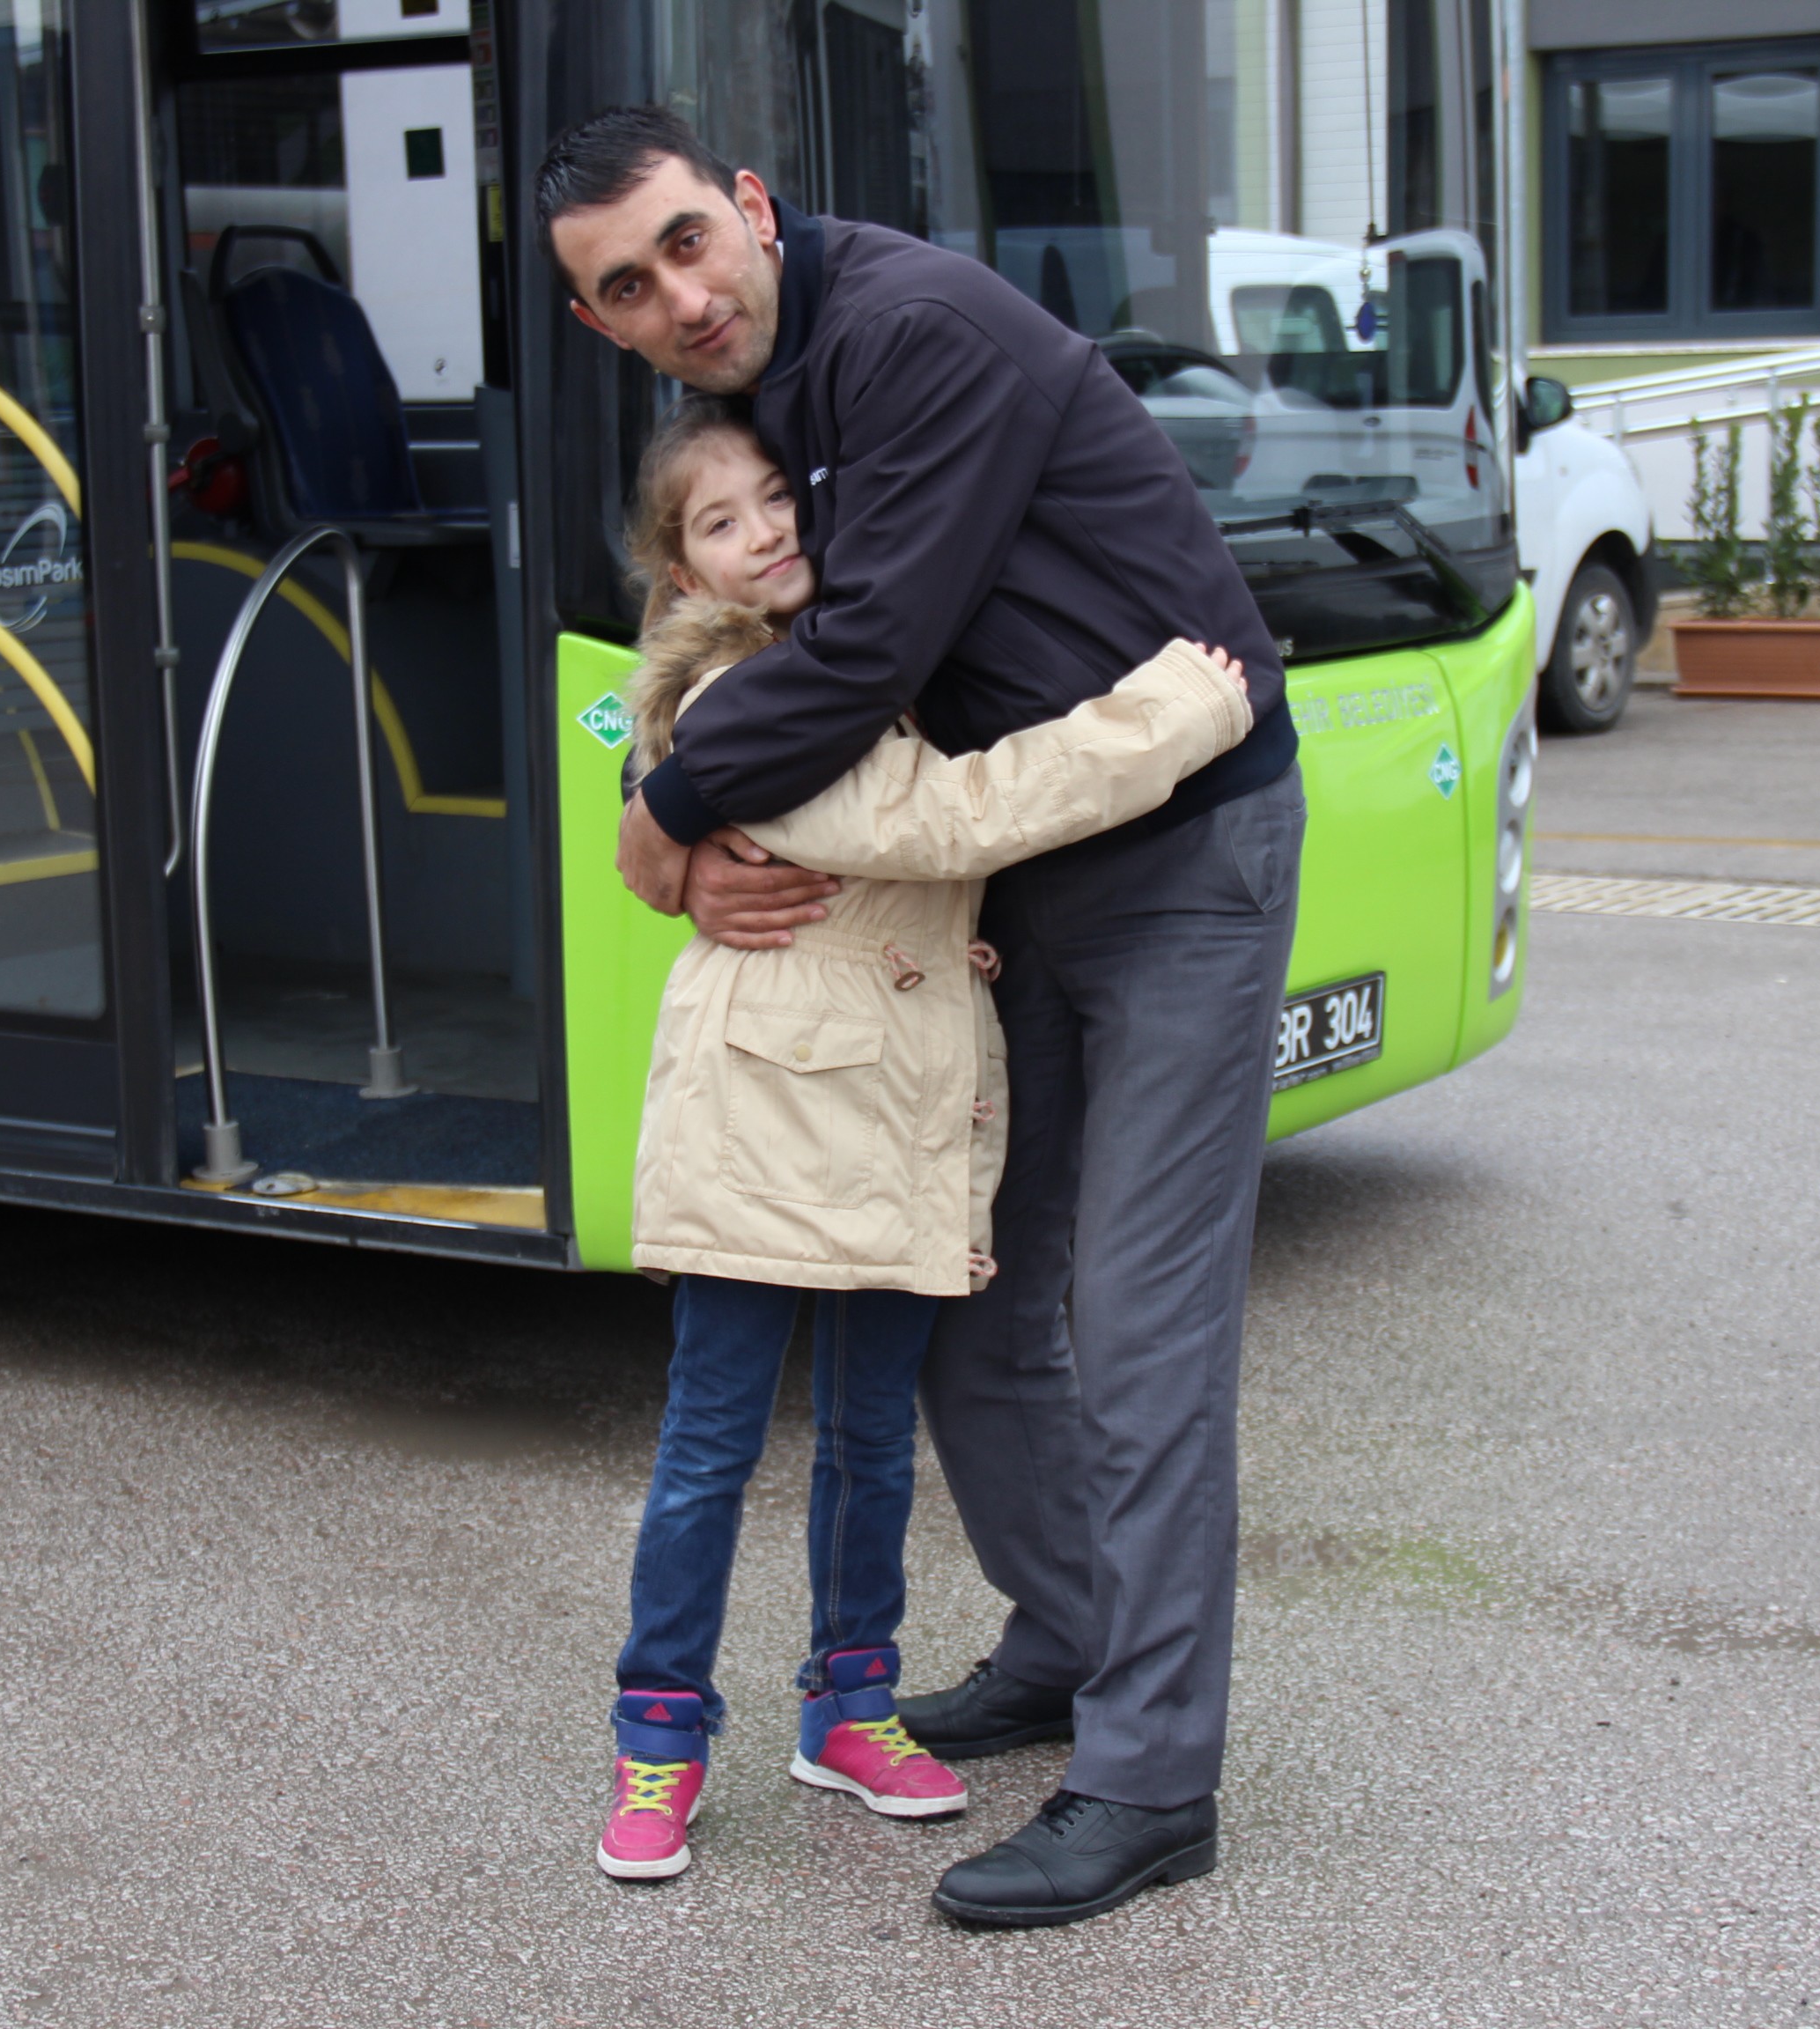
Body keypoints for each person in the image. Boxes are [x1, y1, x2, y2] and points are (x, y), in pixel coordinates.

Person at [539, 107, 1306, 1927]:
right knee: (967, 1290)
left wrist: (659, 821)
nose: (676, 295)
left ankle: (1150, 1777)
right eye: (625, 288)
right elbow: (750, 653)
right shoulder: (770, 407)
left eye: (684, 244)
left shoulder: (910, 331)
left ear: (748, 207)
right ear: (603, 325)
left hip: (1184, 849)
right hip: (1015, 876)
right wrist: (688, 829)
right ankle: (1075, 1635)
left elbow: (868, 649)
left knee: (1137, 1322)